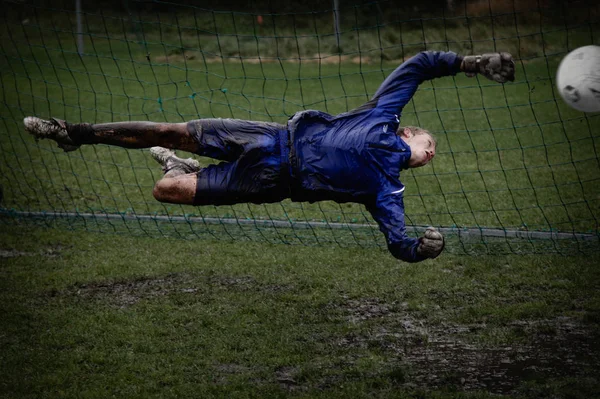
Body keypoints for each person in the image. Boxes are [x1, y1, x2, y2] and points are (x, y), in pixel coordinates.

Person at [23, 51, 515, 263]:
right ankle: (75, 132)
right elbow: (419, 66)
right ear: (408, 131)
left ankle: (176, 167)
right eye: (429, 144)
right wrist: (470, 64)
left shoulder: (386, 188)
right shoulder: (382, 114)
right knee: (171, 129)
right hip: (267, 139)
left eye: (431, 156)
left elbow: (396, 241)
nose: (430, 155)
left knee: (166, 191)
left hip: (269, 184)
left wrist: (419, 249)